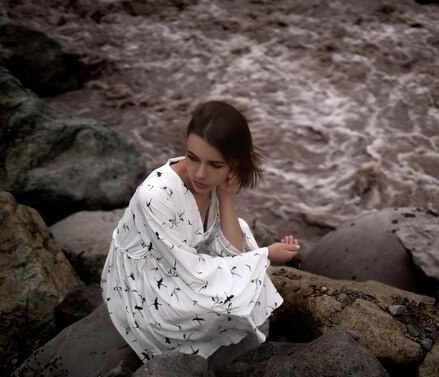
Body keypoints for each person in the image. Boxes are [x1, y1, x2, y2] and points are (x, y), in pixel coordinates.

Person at [101, 100, 300, 364]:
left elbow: (233, 252)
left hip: (183, 260)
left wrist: (226, 195)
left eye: (215, 165)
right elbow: (191, 271)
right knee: (239, 288)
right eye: (192, 157)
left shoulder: (214, 185)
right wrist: (265, 254)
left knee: (244, 267)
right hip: (151, 283)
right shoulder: (155, 197)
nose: (200, 173)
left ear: (234, 164)